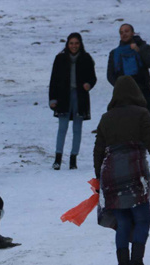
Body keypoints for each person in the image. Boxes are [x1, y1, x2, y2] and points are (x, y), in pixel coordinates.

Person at [93, 76, 150, 265]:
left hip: (111, 173)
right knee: (142, 218)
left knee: (122, 221)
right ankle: (137, 262)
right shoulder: (141, 114)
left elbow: (98, 150)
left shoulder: (106, 117)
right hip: (135, 170)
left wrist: (98, 179)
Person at [49, 32, 97, 170]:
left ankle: (73, 159)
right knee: (62, 128)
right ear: (67, 44)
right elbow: (53, 80)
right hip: (63, 97)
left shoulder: (86, 58)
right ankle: (58, 159)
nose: (74, 46)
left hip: (80, 97)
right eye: (71, 43)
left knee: (77, 129)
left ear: (80, 44)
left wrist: (89, 85)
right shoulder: (60, 59)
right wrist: (52, 99)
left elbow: (93, 78)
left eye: (76, 43)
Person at [107, 24, 150, 133]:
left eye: (126, 31)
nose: (124, 34)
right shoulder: (114, 53)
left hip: (144, 91)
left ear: (132, 32)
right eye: (121, 32)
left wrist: (139, 51)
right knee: (129, 127)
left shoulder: (143, 47)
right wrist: (120, 87)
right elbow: (110, 75)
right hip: (125, 95)